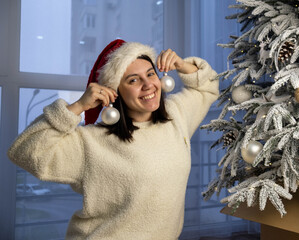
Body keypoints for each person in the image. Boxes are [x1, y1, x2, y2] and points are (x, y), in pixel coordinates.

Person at [8, 39, 219, 239]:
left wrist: (182, 64)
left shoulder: (176, 115)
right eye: (133, 80)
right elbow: (25, 150)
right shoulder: (91, 142)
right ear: (114, 91)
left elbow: (207, 85)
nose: (148, 85)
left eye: (150, 74)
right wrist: (78, 107)